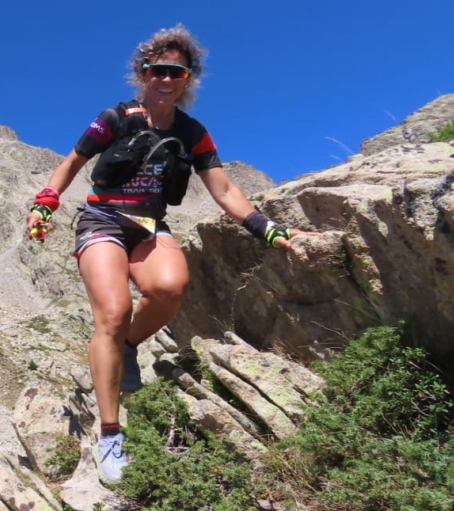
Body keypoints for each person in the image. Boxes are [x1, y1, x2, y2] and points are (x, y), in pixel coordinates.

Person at [24, 25, 304, 484]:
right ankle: (111, 434)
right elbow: (73, 161)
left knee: (171, 287)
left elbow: (225, 189)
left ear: (188, 78)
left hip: (151, 224)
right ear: (144, 73)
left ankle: (129, 347)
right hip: (102, 219)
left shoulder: (193, 133)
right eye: (158, 70)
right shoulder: (115, 117)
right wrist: (45, 202)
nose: (166, 78)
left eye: (176, 71)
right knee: (112, 314)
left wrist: (266, 228)